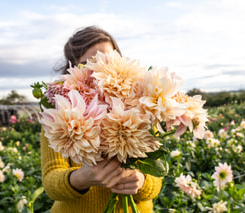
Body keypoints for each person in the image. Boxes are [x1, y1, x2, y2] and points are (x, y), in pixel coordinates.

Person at [41, 26, 162, 213]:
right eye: (88, 64)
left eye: (106, 60)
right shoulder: (58, 112)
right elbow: (50, 182)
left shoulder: (141, 103)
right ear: (73, 69)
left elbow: (157, 176)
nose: (99, 70)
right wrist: (81, 178)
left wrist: (142, 181)